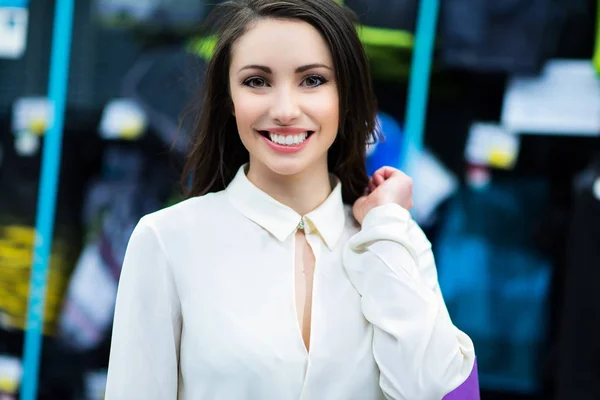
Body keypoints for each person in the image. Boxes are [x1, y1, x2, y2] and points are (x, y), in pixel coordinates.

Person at [105, 0, 476, 399]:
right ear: (229, 100)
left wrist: (385, 227)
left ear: (346, 97)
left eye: (313, 80)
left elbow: (435, 392)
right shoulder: (166, 239)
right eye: (257, 81)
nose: (284, 110)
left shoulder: (398, 240)